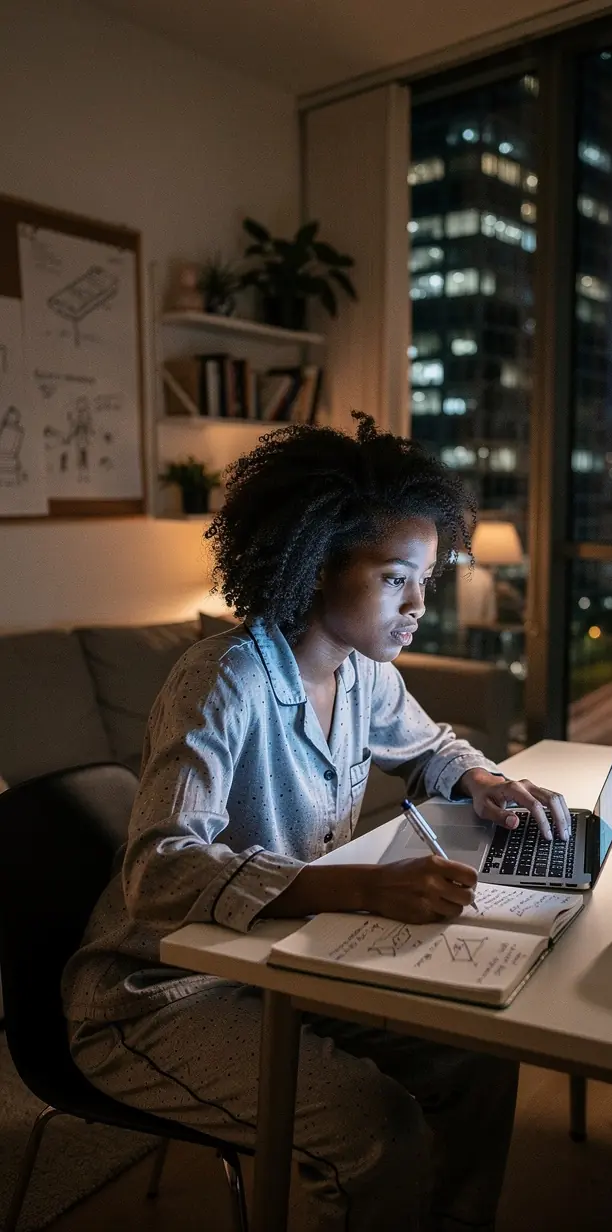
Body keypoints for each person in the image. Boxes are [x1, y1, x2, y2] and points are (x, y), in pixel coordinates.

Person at [62, 413, 572, 1232]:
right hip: (160, 994)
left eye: (427, 580)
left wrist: (477, 777)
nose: (417, 605)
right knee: (375, 1130)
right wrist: (366, 886)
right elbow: (158, 870)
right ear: (317, 564)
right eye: (395, 578)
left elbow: (430, 745)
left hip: (277, 960)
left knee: (476, 1055)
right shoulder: (222, 682)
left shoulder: (361, 671)